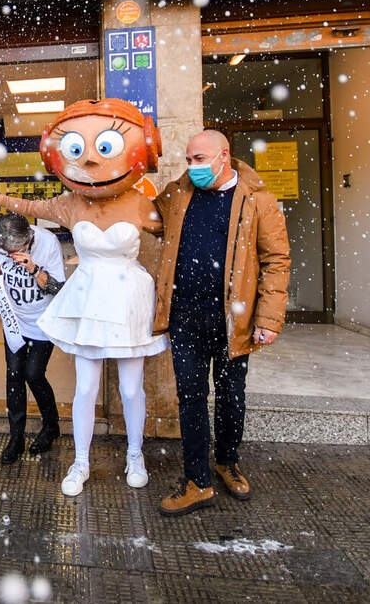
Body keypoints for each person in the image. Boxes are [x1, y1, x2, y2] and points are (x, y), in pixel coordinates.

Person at [0, 98, 166, 497]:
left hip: (130, 297)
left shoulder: (143, 204)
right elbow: (29, 206)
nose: (92, 161)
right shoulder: (70, 203)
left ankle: (135, 453)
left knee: (131, 389)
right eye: (79, 149)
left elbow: (175, 236)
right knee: (85, 388)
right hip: (89, 297)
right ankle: (81, 461)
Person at [153, 130, 290, 516]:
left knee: (231, 397)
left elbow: (277, 261)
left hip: (234, 321)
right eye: (189, 159)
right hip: (184, 316)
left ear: (223, 156)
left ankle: (227, 462)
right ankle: (197, 481)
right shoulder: (179, 194)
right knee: (191, 399)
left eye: (199, 159)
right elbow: (148, 218)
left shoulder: (258, 201)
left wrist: (269, 318)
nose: (192, 167)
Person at [0, 214, 65, 464]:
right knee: (14, 376)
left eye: (13, 252)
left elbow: (58, 288)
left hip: (41, 322)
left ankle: (51, 426)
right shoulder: (3, 244)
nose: (8, 255)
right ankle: (16, 438)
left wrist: (32, 268)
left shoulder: (48, 243)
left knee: (34, 374)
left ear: (28, 239)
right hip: (14, 321)